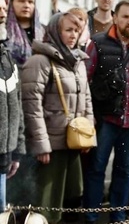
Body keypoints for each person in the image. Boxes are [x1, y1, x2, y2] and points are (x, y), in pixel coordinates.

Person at [83, 0, 129, 223]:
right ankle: (90, 215)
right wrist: (90, 117)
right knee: (96, 169)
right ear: (115, 17)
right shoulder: (96, 43)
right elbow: (86, 80)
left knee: (125, 171)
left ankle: (118, 216)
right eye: (125, 16)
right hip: (105, 120)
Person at [21, 12, 93, 223]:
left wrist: (88, 135)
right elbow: (31, 106)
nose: (73, 35)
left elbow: (86, 99)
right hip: (51, 146)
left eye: (76, 31)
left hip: (72, 141)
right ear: (55, 30)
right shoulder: (40, 61)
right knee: (47, 205)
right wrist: (42, 145)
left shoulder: (77, 60)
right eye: (68, 30)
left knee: (70, 198)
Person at [0, 0, 25, 212]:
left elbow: (18, 110)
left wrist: (16, 151)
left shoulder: (8, 59)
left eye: (3, 8)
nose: (2, 14)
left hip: (3, 160)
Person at [5, 0, 45, 66]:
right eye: (21, 1)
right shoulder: (3, 31)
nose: (26, 5)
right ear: (12, 3)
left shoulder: (44, 33)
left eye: (30, 2)